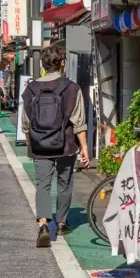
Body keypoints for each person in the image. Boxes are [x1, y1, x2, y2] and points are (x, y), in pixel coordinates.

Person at [22, 45, 90, 248]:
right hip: (65, 144)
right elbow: (79, 122)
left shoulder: (31, 89)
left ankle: (43, 224)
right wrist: (84, 147)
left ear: (43, 64)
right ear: (62, 63)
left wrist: (29, 139)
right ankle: (61, 223)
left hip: (39, 144)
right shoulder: (72, 88)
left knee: (42, 185)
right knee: (64, 183)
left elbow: (26, 121)